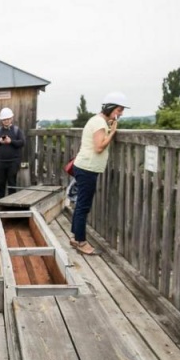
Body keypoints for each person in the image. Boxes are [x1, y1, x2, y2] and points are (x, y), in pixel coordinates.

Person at [69, 91, 129, 255]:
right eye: (119, 110)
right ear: (110, 108)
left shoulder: (97, 120)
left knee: (81, 203)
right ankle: (81, 242)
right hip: (87, 168)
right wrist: (112, 132)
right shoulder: (100, 123)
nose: (121, 114)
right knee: (83, 206)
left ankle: (75, 238)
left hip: (84, 167)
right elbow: (99, 147)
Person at [0, 107, 25, 199]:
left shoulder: (16, 130)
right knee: (1, 184)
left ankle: (11, 204)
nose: (6, 121)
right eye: (4, 119)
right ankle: (0, 203)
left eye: (8, 119)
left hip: (13, 162)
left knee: (12, 183)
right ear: (1, 120)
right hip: (1, 162)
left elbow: (22, 142)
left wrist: (11, 141)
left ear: (11, 119)